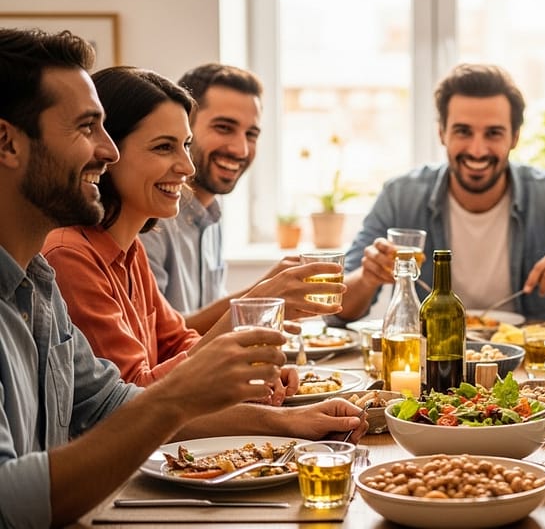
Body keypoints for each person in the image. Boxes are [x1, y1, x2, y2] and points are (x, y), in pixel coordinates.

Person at [0, 28, 366, 528]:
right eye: (87, 128)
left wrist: (289, 423)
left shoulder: (36, 283)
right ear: (7, 142)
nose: (107, 152)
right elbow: (11, 502)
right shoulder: (65, 256)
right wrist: (212, 361)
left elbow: (115, 404)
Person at [41, 66, 343, 395]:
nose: (187, 167)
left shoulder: (128, 247)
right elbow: (134, 401)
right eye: (163, 147)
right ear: (108, 150)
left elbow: (178, 340)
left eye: (186, 145)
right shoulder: (69, 254)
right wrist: (252, 306)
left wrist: (250, 369)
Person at [338, 63, 545, 322]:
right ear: (441, 133)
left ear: (515, 137)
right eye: (463, 131)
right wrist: (367, 277)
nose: (477, 150)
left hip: (532, 363)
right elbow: (339, 308)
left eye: (493, 133)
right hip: (429, 360)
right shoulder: (400, 196)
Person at [140, 63, 296, 334]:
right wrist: (261, 296)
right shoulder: (148, 217)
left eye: (251, 134)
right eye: (224, 128)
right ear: (183, 126)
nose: (241, 148)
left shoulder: (211, 211)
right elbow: (157, 337)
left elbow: (205, 332)